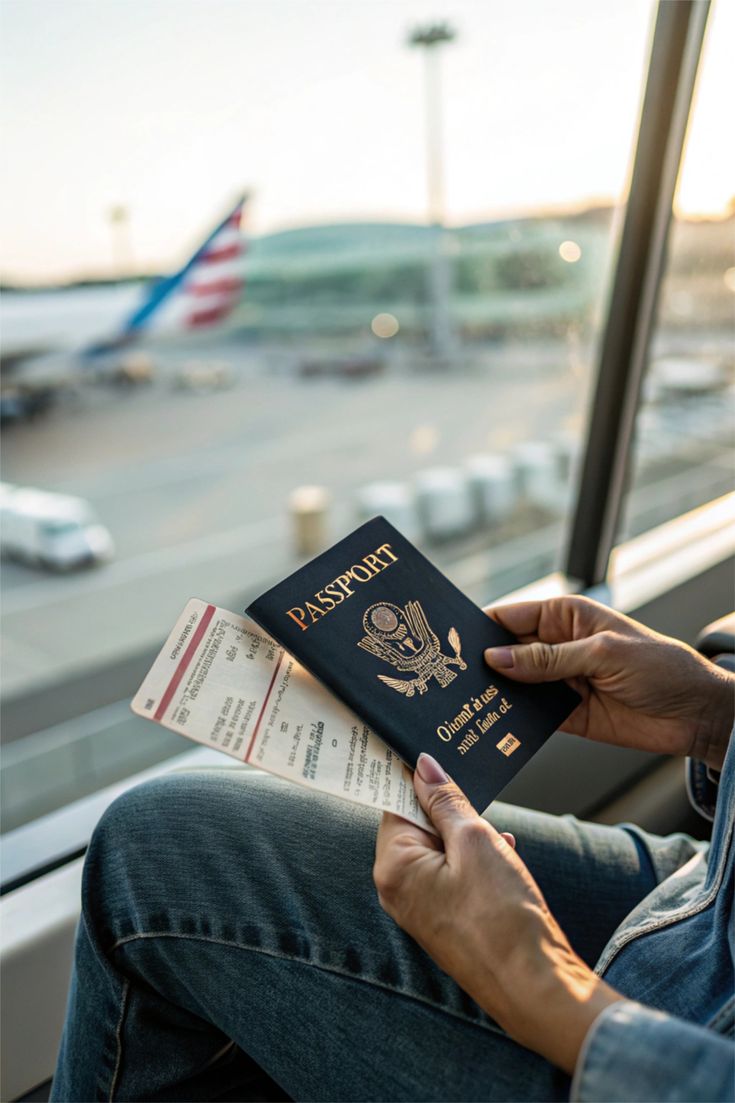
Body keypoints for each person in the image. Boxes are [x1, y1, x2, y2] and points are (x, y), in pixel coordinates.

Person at [51, 596, 735, 1102]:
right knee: (167, 842)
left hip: (663, 1063)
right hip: (710, 893)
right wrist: (717, 715)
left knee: (153, 862)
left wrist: (539, 985)